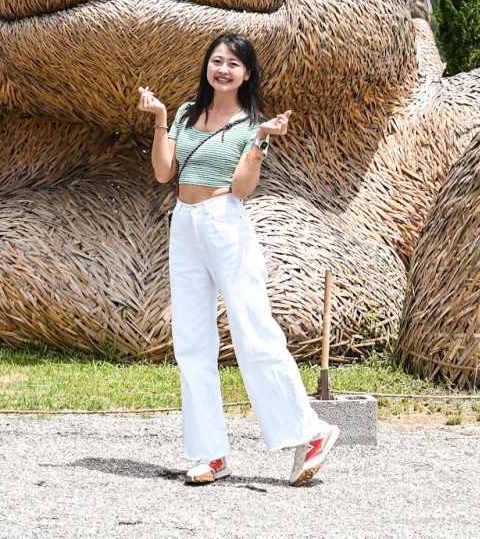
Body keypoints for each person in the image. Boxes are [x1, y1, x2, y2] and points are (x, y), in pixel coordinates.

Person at [137, 33, 340, 487]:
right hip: (184, 221)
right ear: (206, 67)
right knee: (190, 339)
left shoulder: (254, 124)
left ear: (246, 73)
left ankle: (311, 432)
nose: (222, 69)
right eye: (216, 60)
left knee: (252, 330)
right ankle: (210, 454)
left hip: (226, 222)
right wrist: (160, 120)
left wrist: (261, 141)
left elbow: (243, 189)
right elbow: (164, 172)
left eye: (233, 63)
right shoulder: (188, 114)